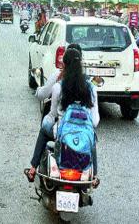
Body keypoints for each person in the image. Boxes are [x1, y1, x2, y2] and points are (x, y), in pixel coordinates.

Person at [25, 48, 100, 185]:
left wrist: (48, 121)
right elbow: (94, 121)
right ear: (80, 65)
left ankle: (33, 168)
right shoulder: (91, 88)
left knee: (44, 129)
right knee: (92, 138)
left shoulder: (59, 87)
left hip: (61, 133)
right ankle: (94, 177)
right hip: (83, 136)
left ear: (64, 65)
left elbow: (52, 114)